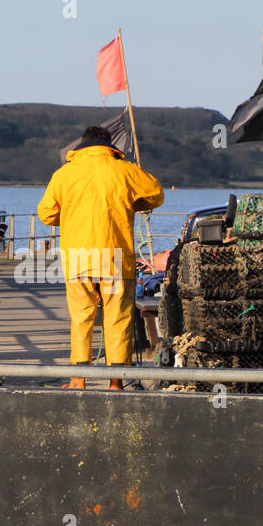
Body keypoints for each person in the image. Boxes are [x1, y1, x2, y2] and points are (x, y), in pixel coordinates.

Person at [37, 125, 164, 389]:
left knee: (81, 318)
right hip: (115, 257)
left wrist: (71, 214)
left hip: (78, 258)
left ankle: (78, 380)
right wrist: (133, 203)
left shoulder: (64, 174)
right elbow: (156, 195)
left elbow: (46, 213)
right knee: (117, 318)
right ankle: (116, 382)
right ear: (110, 145)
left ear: (82, 144)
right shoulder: (124, 170)